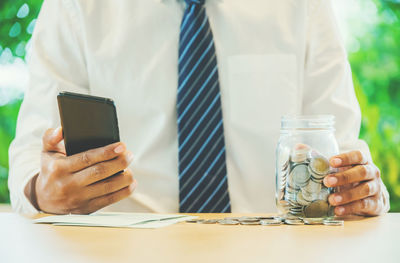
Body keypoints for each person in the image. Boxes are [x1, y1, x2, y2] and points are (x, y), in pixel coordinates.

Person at [9, 0, 390, 216]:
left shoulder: (305, 7)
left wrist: (361, 192)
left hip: (272, 250)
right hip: (119, 251)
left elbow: (341, 150)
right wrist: (43, 191)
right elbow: (31, 156)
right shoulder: (75, 6)